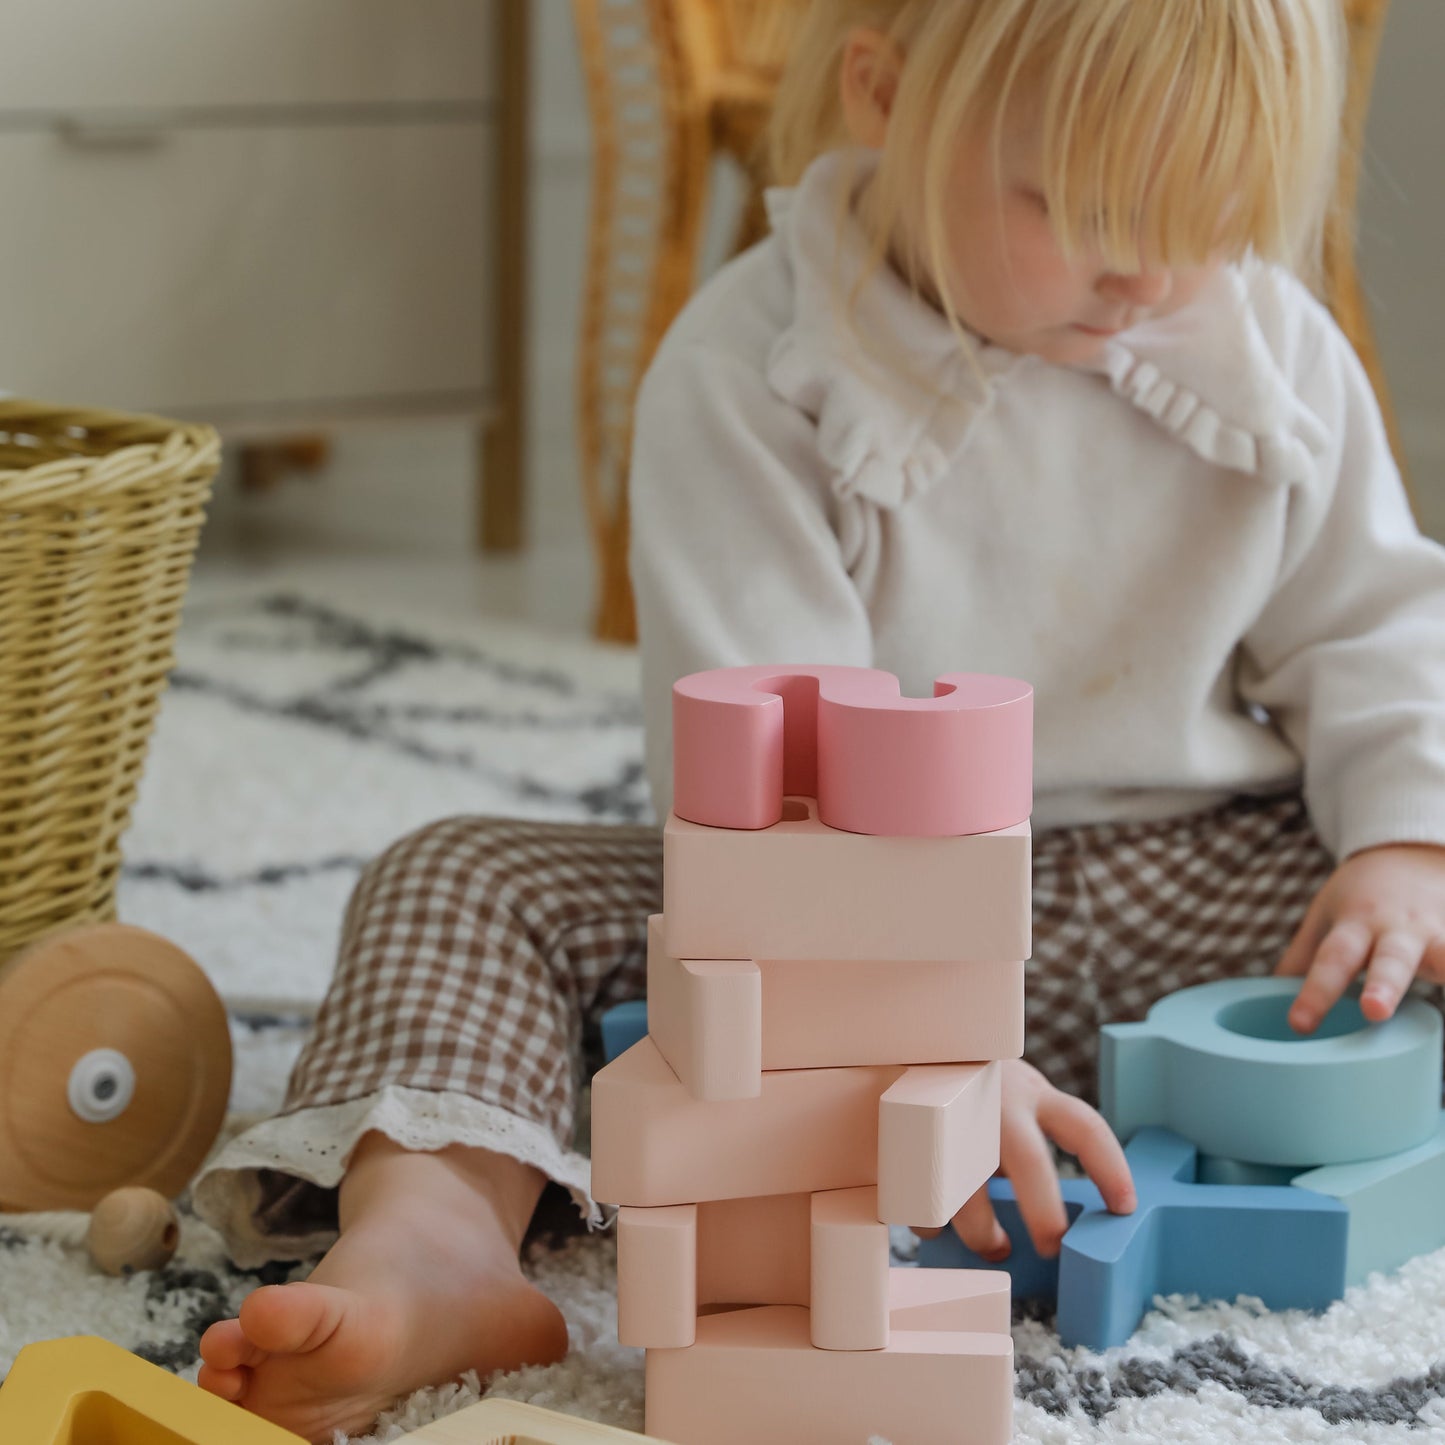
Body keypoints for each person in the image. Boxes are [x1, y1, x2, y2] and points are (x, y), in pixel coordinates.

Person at [193, 1, 1445, 1438]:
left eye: (1205, 215)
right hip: (835, 932)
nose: (1145, 270)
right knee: (455, 876)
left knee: (1403, 892)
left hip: (1196, 878)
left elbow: (1378, 626)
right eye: (1084, 204)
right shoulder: (758, 368)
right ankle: (437, 1244)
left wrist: (1406, 842)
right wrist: (907, 1036)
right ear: (884, 96)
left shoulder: (1265, 348)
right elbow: (763, 793)